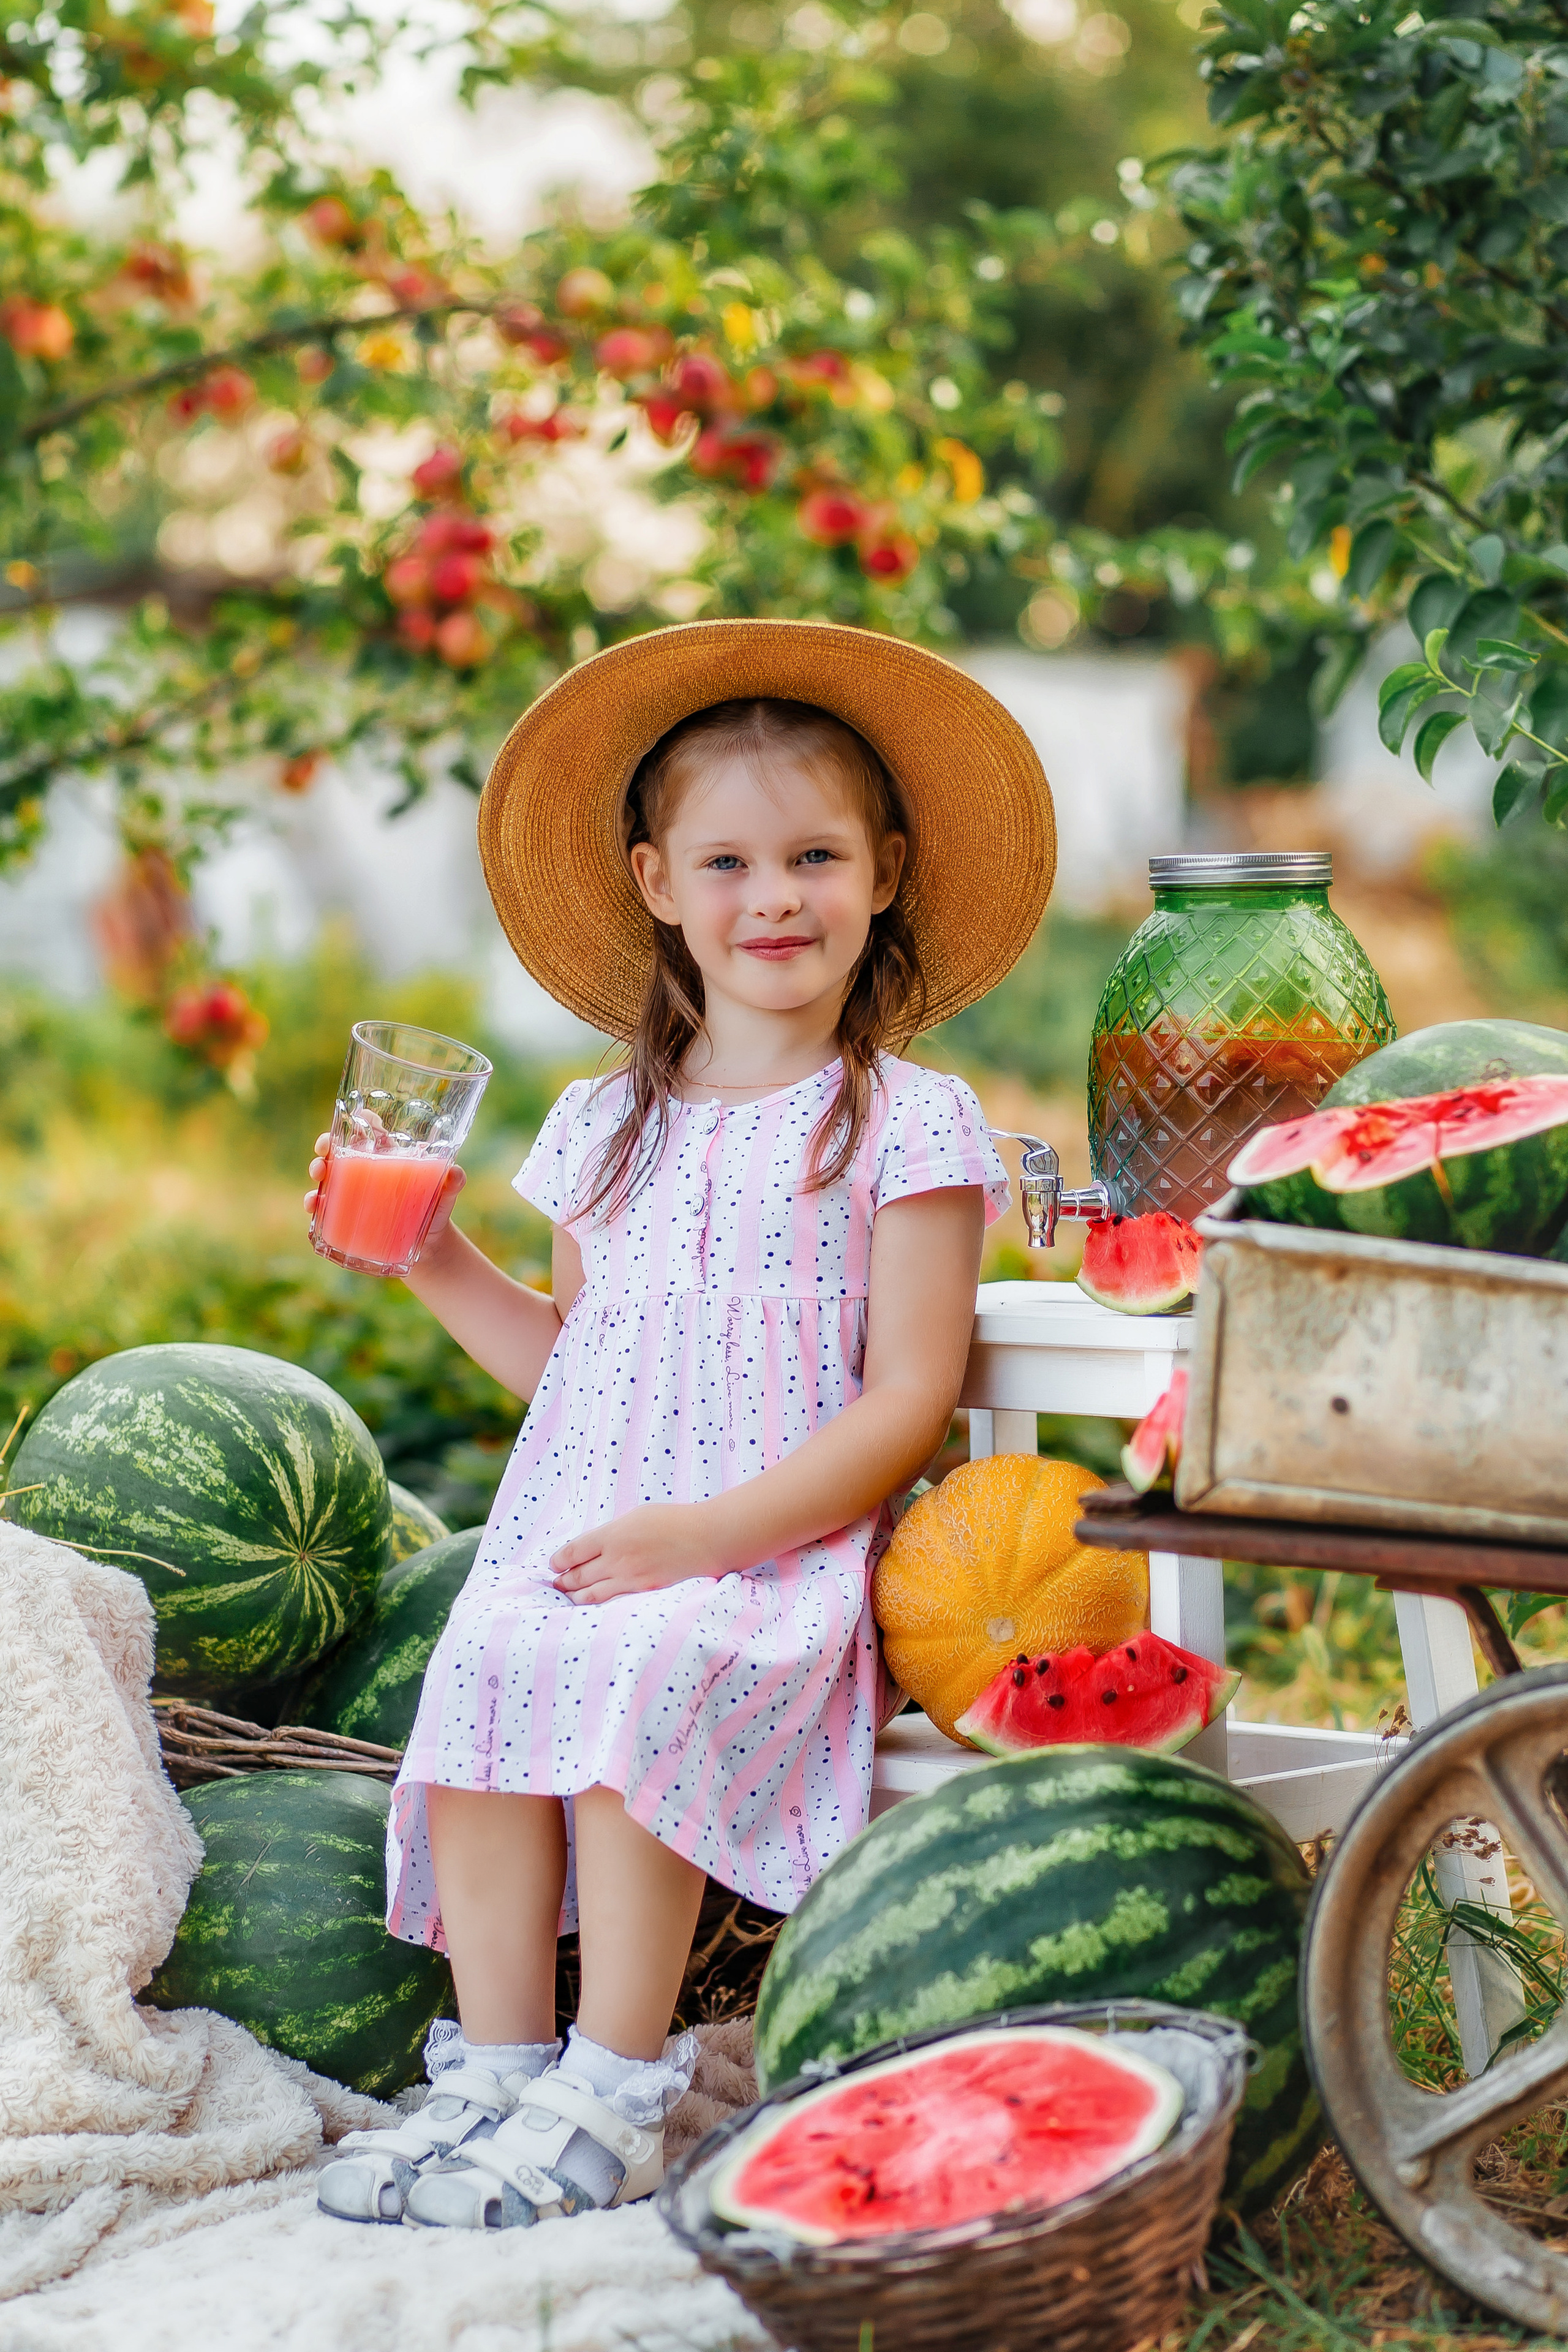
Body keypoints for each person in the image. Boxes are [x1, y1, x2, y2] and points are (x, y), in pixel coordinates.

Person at [310, 618, 1055, 2231]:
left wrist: (706, 1538)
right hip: (594, 1539)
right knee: (490, 1656)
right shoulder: (605, 1122)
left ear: (884, 875)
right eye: (728, 862)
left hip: (769, 1563)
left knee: (635, 1668)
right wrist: (429, 1254)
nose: (773, 896)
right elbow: (574, 1362)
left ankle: (616, 2082)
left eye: (814, 857)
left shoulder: (907, 1121)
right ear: (657, 884)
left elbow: (908, 1397)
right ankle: (499, 2072)